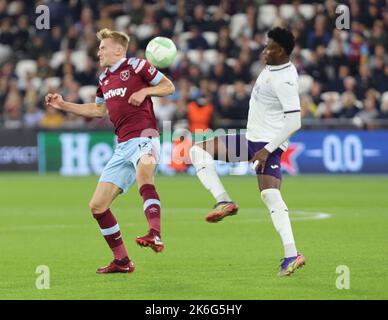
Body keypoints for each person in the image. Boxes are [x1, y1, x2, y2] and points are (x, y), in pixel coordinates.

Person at [45, 28, 175, 274]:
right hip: (122, 146)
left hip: (145, 136)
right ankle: (122, 261)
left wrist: (145, 90)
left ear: (118, 49)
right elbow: (97, 111)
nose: (98, 52)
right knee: (97, 206)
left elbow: (169, 87)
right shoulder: (104, 78)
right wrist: (62, 105)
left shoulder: (137, 65)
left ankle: (155, 234)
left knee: (144, 177)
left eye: (103, 48)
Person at [189, 27, 305, 276]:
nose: (264, 50)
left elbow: (295, 122)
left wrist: (267, 150)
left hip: (267, 145)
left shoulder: (284, 79)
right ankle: (224, 201)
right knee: (198, 151)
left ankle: (292, 255)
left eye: (269, 46)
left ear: (281, 51)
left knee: (270, 196)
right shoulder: (271, 67)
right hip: (250, 139)